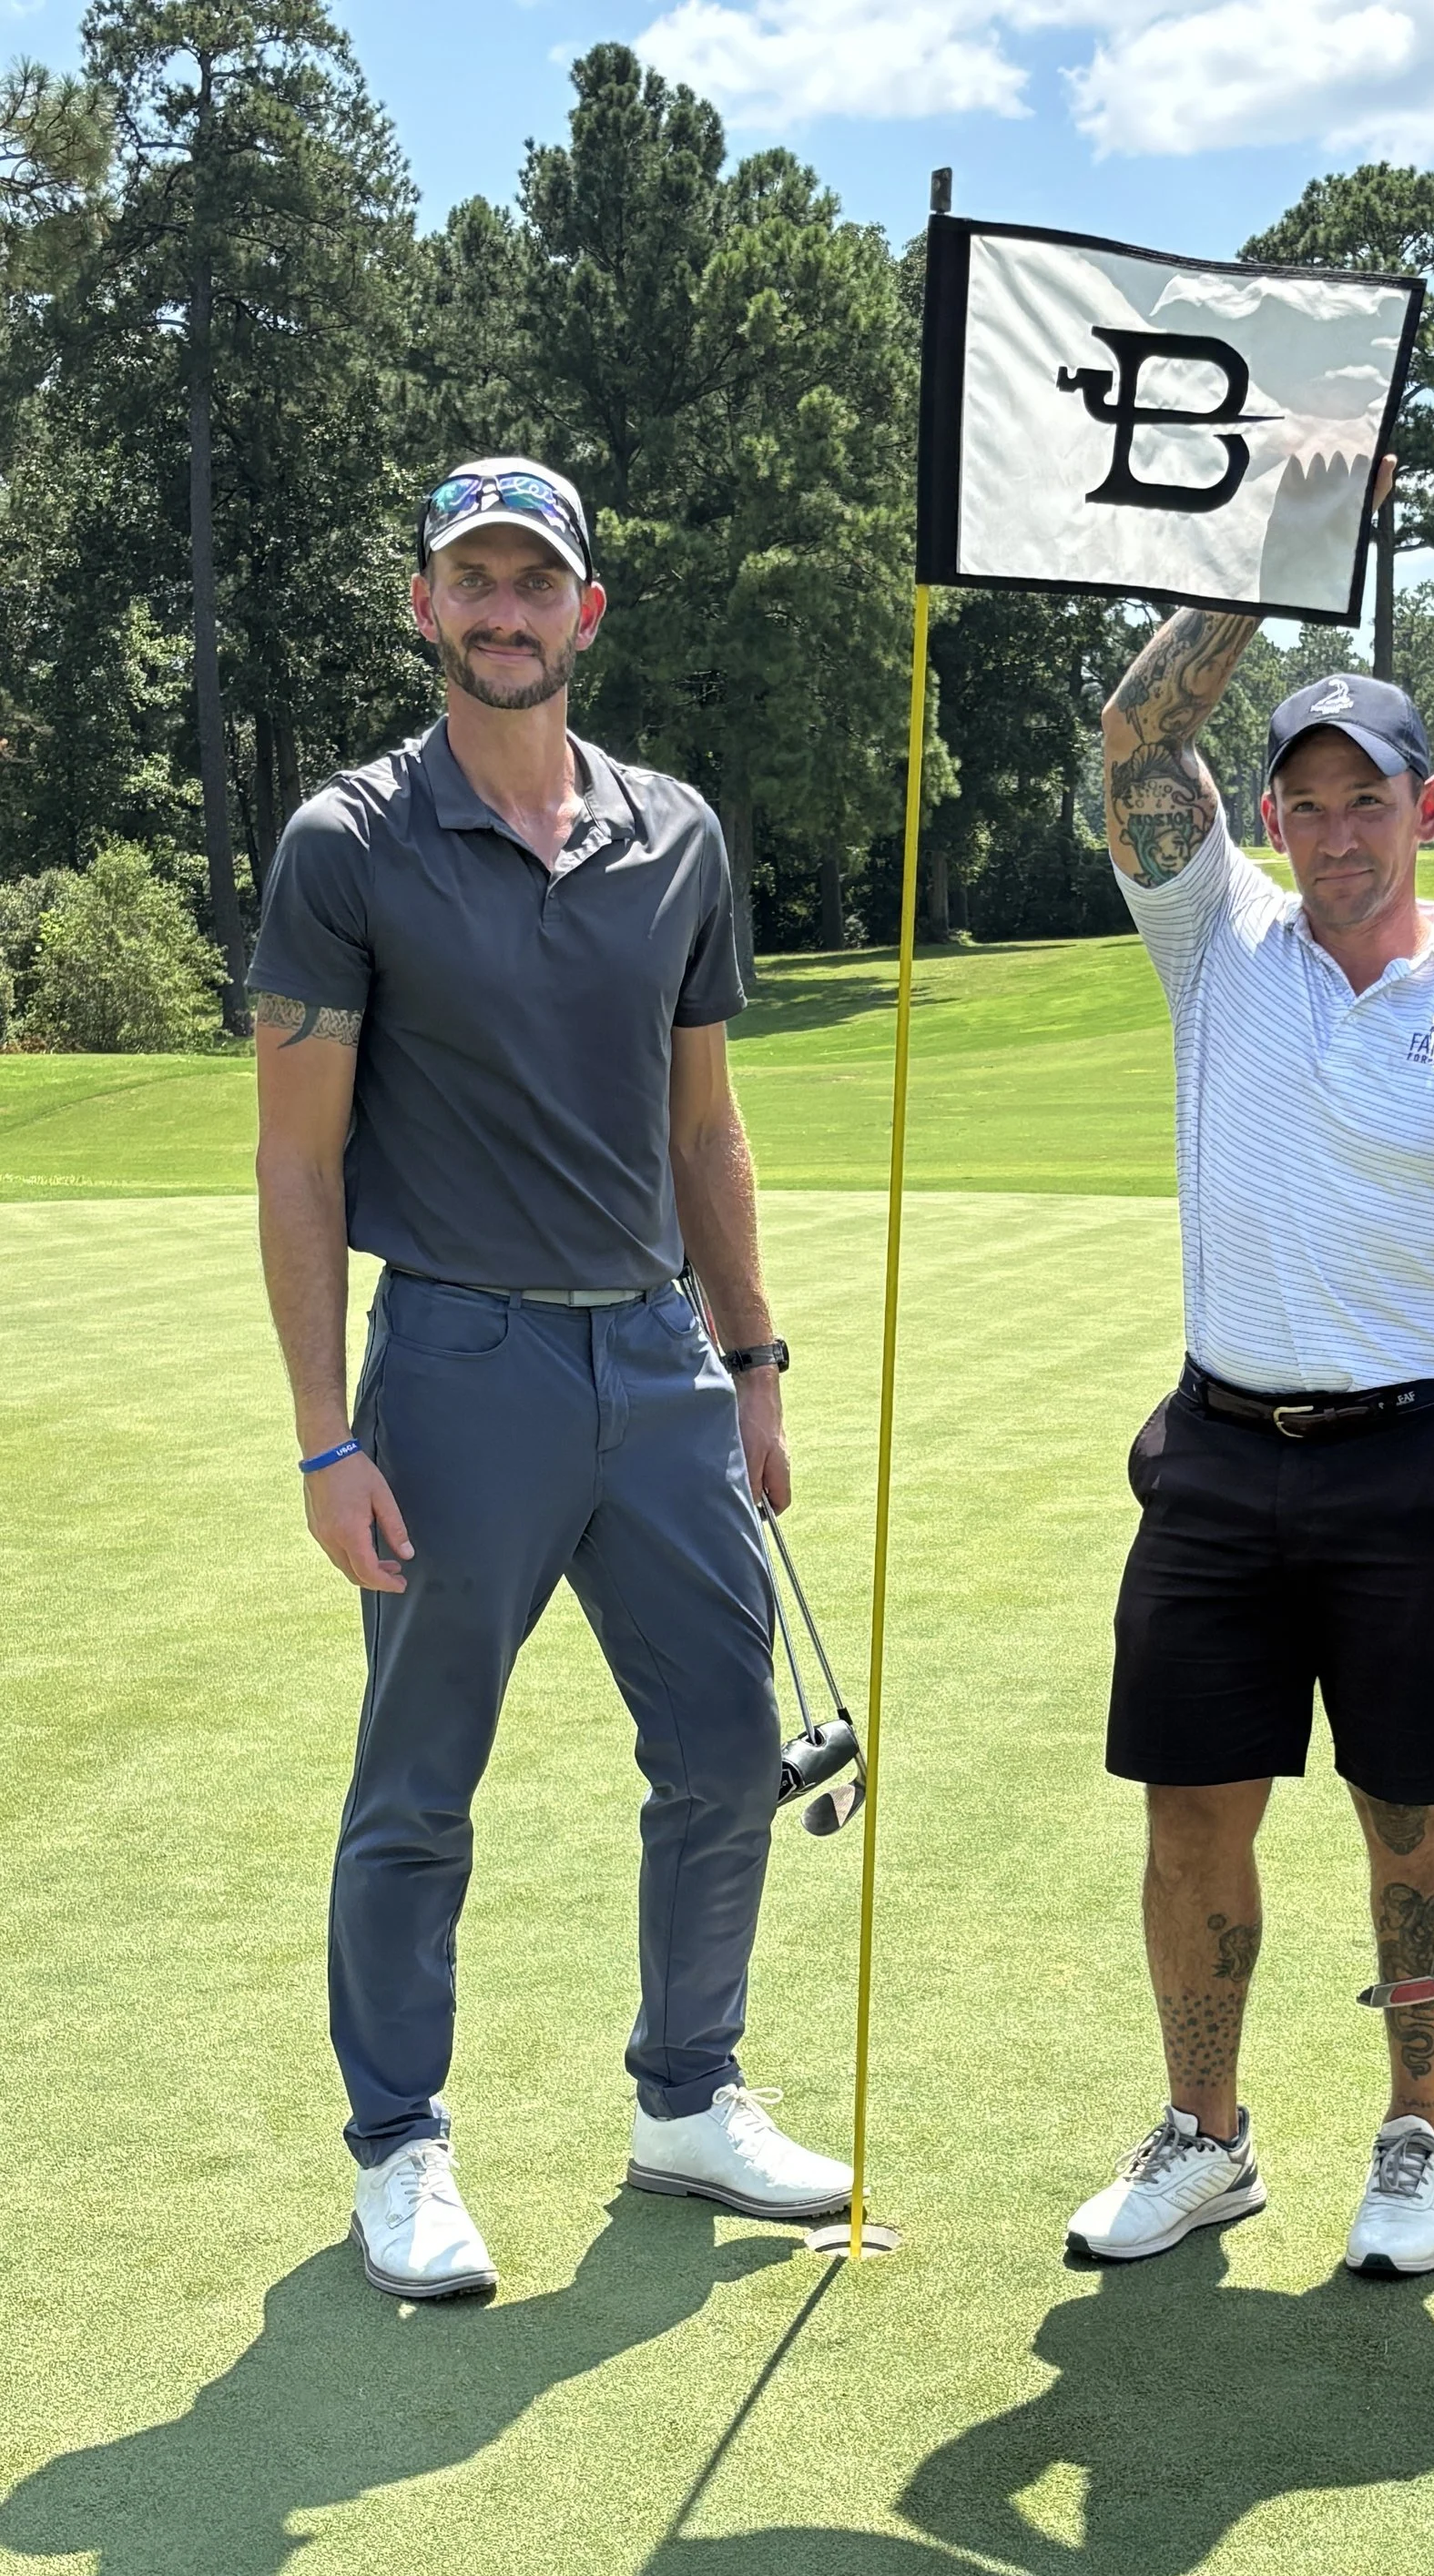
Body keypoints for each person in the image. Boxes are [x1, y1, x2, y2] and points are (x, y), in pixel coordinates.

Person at [249, 456, 849, 2301]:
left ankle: (687, 2093)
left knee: (722, 1745)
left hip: (660, 1359)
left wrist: (750, 1364)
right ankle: (401, 2146)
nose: (503, 610)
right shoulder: (347, 842)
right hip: (454, 1359)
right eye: (470, 581)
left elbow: (705, 1124)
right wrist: (324, 1436)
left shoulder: (674, 831)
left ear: (585, 612)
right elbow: (295, 1161)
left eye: (535, 582)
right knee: (421, 1781)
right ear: (425, 606)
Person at [1067, 491, 1434, 2280]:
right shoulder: (1211, 933)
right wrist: (1268, 550)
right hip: (1218, 1454)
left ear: (1421, 808)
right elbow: (1135, 735)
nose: (1325, 830)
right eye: (1297, 798)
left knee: (1413, 1822)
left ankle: (1414, 2137)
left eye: (1360, 796)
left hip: (1413, 1470)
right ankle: (1205, 2137)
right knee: (1188, 1815)